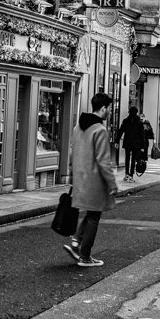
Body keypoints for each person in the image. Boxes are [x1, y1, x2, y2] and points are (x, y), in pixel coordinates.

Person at [64, 91, 119, 267]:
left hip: (80, 177)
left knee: (90, 213)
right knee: (94, 216)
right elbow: (104, 160)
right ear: (103, 109)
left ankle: (75, 243)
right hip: (95, 180)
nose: (110, 111)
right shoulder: (100, 130)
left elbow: (73, 153)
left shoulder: (77, 127)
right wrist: (112, 184)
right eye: (109, 108)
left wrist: (72, 175)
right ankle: (85, 256)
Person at [115, 105, 148, 181]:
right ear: (136, 113)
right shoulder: (139, 122)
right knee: (133, 159)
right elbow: (142, 134)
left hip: (127, 142)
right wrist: (143, 146)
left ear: (129, 112)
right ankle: (131, 175)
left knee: (127, 158)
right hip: (136, 143)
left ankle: (126, 174)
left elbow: (120, 131)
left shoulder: (126, 121)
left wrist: (117, 141)